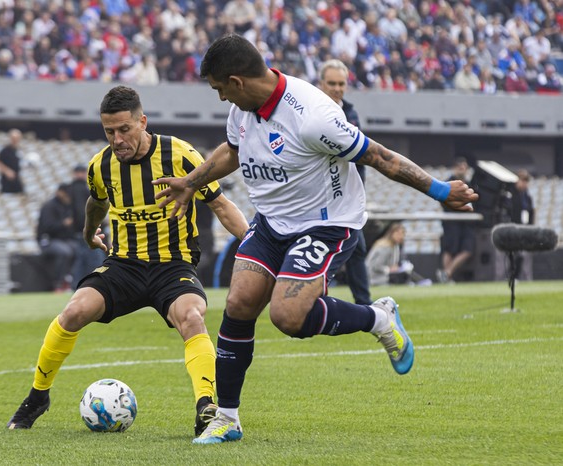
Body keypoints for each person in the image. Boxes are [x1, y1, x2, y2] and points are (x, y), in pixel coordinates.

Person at [153, 34, 478, 444]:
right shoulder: (242, 109)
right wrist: (190, 181)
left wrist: (440, 191)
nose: (219, 98)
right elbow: (232, 151)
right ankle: (228, 418)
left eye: (219, 88)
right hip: (272, 223)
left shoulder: (312, 117)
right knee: (238, 304)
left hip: (327, 223)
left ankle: (379, 318)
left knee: (288, 317)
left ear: (236, 81)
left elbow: (379, 157)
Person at [7, 86, 249, 438]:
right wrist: (90, 232)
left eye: (124, 129)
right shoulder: (101, 165)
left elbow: (222, 206)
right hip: (125, 265)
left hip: (173, 265)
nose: (117, 139)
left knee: (191, 317)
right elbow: (97, 201)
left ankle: (206, 407)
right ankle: (37, 396)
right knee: (73, 312)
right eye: (109, 131)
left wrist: (254, 245)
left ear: (142, 122)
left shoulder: (180, 155)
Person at [318, 59, 372, 305]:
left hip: (347, 198)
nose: (337, 88)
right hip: (319, 196)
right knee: (322, 250)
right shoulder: (312, 111)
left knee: (357, 249)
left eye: (341, 83)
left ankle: (363, 303)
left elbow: (360, 159)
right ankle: (312, 298)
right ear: (321, 84)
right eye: (332, 83)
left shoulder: (351, 114)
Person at [66, 164, 107, 290]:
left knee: (81, 260)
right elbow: (81, 211)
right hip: (86, 229)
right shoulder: (80, 188)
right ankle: (100, 283)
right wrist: (89, 226)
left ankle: (77, 285)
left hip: (79, 230)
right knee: (96, 258)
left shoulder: (72, 188)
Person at [438, 157, 476, 283]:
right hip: (451, 222)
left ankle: (447, 273)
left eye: (464, 167)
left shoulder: (469, 184)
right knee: (449, 249)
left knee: (468, 249)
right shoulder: (447, 183)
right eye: (460, 166)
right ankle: (446, 276)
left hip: (466, 222)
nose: (462, 169)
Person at [36, 183, 78, 292]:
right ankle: (58, 284)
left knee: (80, 249)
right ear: (60, 193)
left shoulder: (68, 206)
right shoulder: (49, 206)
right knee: (65, 251)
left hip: (64, 240)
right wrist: (63, 224)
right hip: (47, 240)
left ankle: (74, 281)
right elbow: (47, 227)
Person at [366, 222, 431, 286]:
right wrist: (389, 269)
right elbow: (376, 266)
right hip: (375, 277)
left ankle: (420, 281)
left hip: (386, 275)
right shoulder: (384, 246)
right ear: (391, 233)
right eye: (398, 233)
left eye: (403, 234)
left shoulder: (396, 246)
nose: (401, 236)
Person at [507, 169, 535, 280]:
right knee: (513, 254)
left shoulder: (527, 197)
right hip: (513, 228)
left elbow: (531, 213)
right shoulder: (511, 194)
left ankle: (517, 276)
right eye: (522, 180)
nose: (524, 183)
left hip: (524, 229)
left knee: (521, 255)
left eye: (526, 181)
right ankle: (511, 276)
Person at [0, 128, 24, 194]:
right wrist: (7, 171)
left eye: (17, 138)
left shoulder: (19, 150)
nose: (15, 140)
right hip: (6, 179)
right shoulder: (5, 150)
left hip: (16, 177)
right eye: (13, 138)